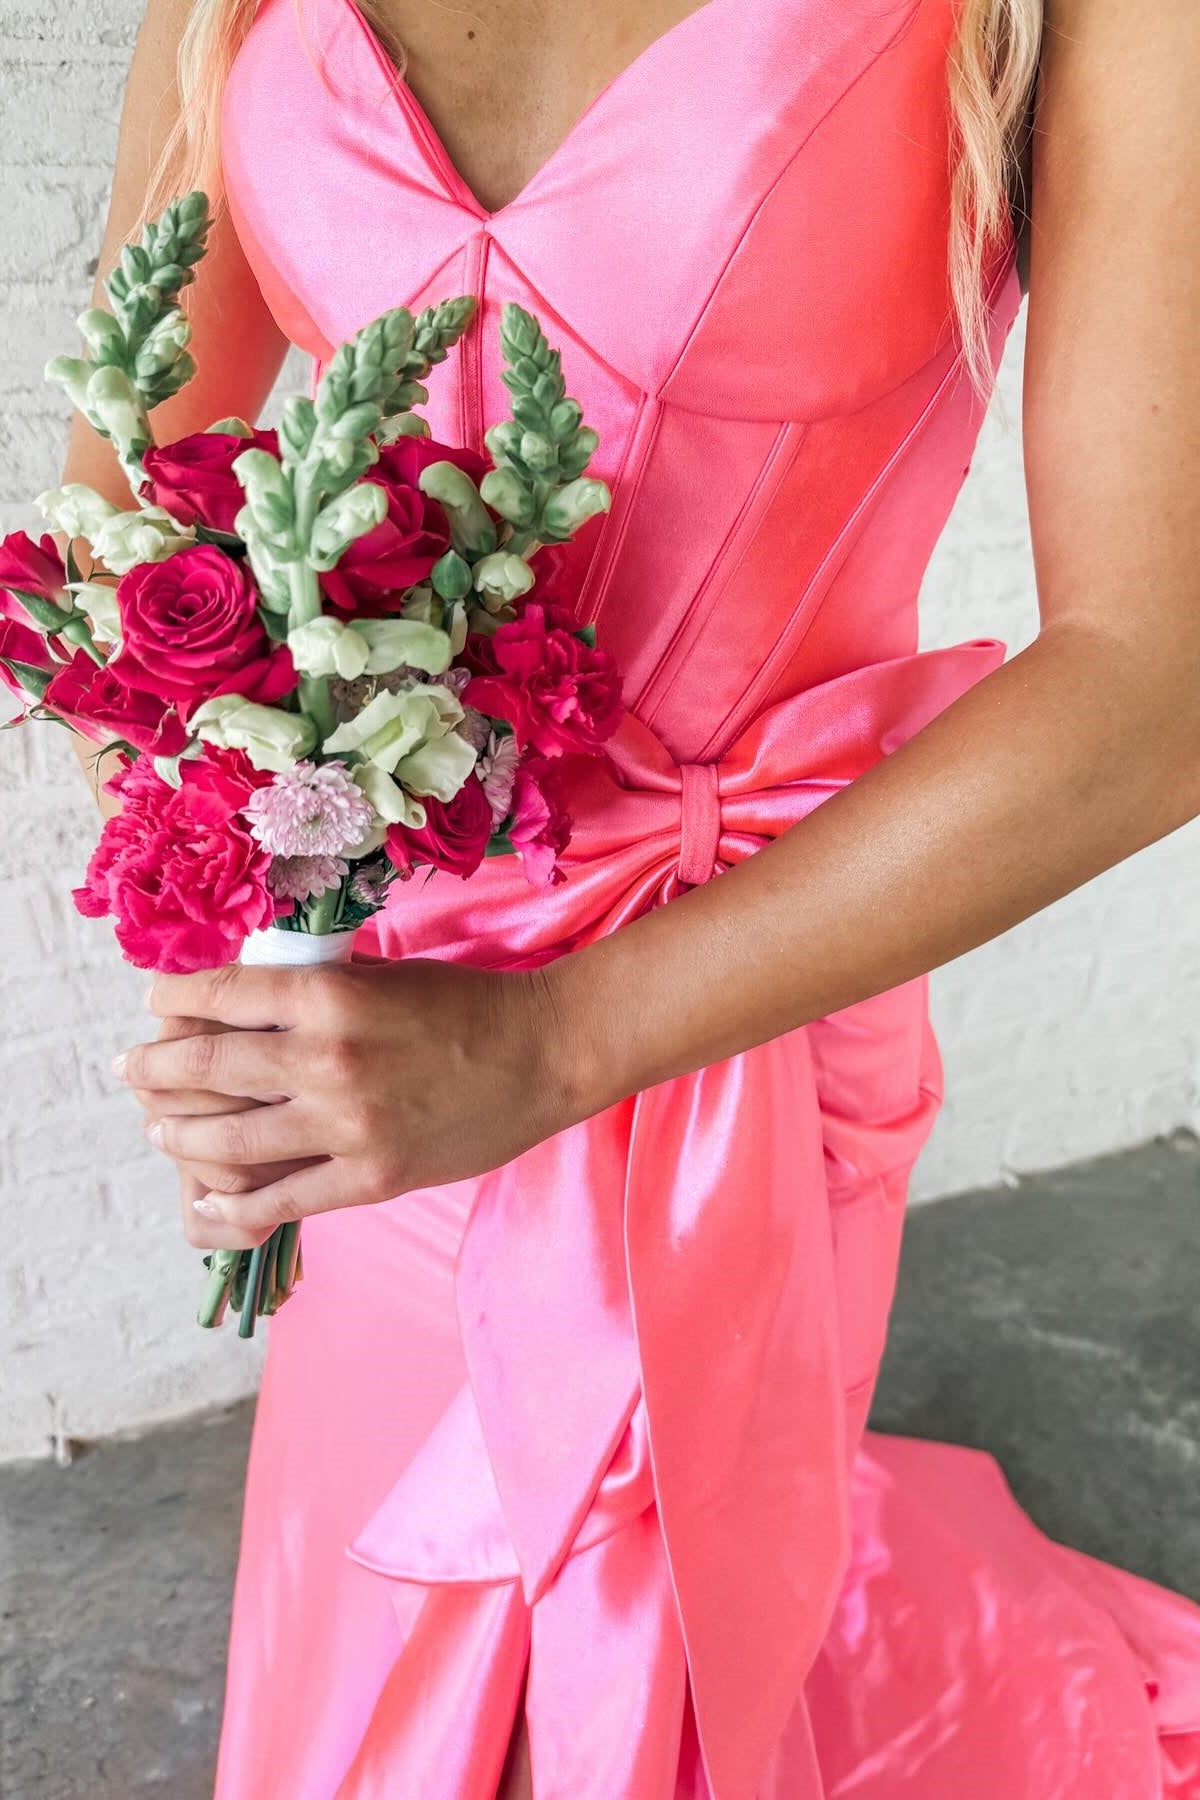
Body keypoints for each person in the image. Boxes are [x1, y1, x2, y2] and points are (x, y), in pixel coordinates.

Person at [64, 0, 1200, 1793]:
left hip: (749, 996)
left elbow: (1155, 685)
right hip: (377, 1014)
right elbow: (121, 511)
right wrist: (237, 862)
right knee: (382, 1633)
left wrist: (550, 1042)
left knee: (648, 1668)